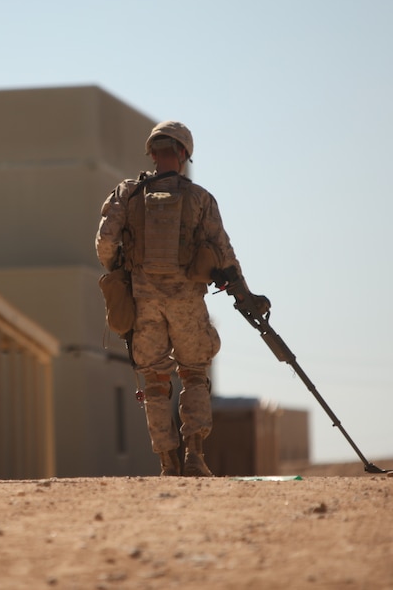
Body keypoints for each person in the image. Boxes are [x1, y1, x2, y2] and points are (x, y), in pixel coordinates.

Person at [95, 121, 268, 477]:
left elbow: (104, 243)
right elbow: (224, 254)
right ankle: (195, 457)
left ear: (152, 153)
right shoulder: (200, 199)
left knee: (156, 381)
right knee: (193, 374)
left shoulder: (127, 194)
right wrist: (246, 294)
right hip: (187, 300)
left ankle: (166, 462)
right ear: (184, 154)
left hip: (145, 301)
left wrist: (123, 272)